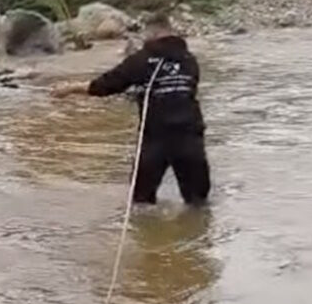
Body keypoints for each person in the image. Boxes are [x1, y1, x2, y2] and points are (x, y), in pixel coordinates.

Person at [51, 11, 209, 206]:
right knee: (197, 203)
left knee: (141, 202)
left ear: (152, 33)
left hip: (156, 137)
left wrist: (70, 88)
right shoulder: (189, 60)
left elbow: (106, 85)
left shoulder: (141, 60)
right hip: (190, 134)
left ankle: (145, 233)